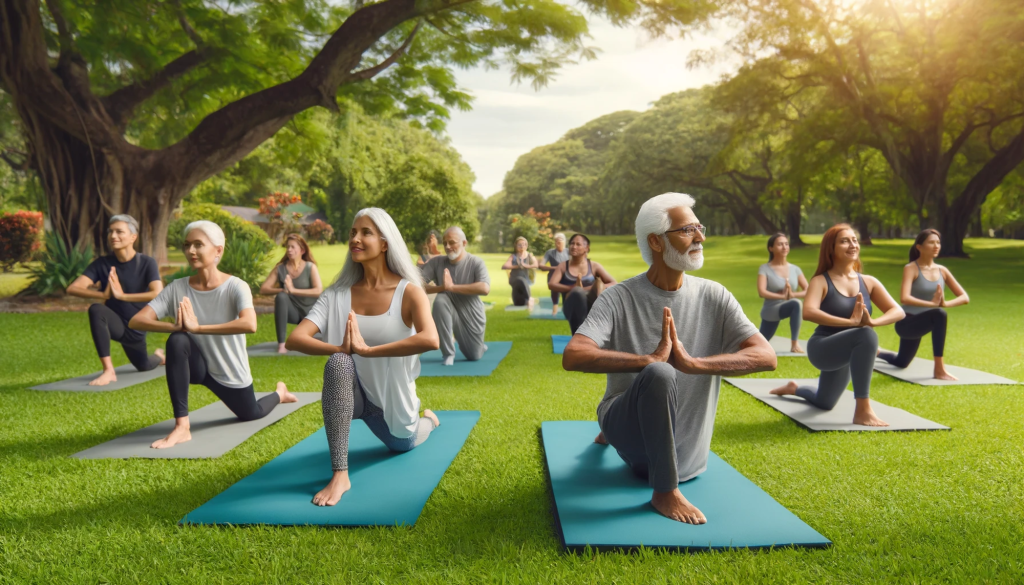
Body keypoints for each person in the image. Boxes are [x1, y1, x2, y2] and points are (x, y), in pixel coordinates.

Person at [562, 193, 776, 525]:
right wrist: (645, 360)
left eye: (699, 227)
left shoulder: (714, 295)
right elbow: (574, 354)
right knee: (660, 372)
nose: (701, 237)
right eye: (687, 230)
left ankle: (615, 423)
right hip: (631, 436)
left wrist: (694, 364)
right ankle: (665, 492)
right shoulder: (619, 297)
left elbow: (766, 356)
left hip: (690, 456)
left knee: (662, 371)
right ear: (656, 242)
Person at [286, 208, 441, 507]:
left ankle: (430, 420)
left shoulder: (409, 292)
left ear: (385, 243)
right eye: (352, 233)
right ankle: (340, 474)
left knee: (404, 443)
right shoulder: (336, 294)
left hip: (392, 407)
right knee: (339, 363)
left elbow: (430, 339)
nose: (355, 239)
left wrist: (369, 350)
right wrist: (342, 349)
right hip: (355, 396)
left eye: (365, 232)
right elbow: (296, 338)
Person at [130, 220, 298, 449]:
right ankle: (182, 427)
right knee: (178, 340)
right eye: (187, 245)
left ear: (218, 250)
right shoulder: (177, 288)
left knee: (252, 413)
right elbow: (136, 320)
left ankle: (280, 392)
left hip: (229, 372)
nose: (190, 251)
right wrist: (175, 327)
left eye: (198, 244)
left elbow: (250, 324)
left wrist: (198, 328)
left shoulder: (235, 286)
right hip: (197, 367)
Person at [769, 224, 904, 427]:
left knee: (825, 402)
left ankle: (794, 388)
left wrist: (873, 321)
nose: (852, 245)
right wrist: (851, 323)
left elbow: (898, 311)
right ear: (830, 248)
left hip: (848, 352)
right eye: (844, 241)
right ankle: (863, 410)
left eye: (855, 240)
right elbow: (809, 312)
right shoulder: (821, 281)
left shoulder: (868, 282)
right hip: (822, 348)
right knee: (866, 334)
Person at [66, 215, 165, 386]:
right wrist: (103, 296)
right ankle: (108, 371)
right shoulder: (102, 264)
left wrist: (122, 296)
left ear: (133, 237)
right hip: (116, 324)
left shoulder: (146, 263)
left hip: (136, 327)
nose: (113, 236)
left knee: (144, 365)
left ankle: (158, 356)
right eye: (110, 232)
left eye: (119, 231)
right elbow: (73, 288)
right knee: (97, 310)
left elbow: (157, 292)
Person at [877, 229, 969, 380]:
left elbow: (964, 297)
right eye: (931, 242)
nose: (936, 246)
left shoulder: (942, 270)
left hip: (923, 321)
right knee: (939, 315)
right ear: (919, 247)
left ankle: (878, 353)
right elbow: (904, 298)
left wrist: (944, 303)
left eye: (938, 242)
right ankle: (939, 370)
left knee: (902, 362)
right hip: (906, 323)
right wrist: (933, 304)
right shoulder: (911, 268)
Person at [421, 227, 490, 366]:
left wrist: (452, 287)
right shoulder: (437, 262)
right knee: (441, 300)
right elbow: (418, 284)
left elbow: (484, 288)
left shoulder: (476, 262)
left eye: (452, 242)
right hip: (448, 306)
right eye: (445, 243)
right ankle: (448, 353)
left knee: (474, 356)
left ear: (464, 243)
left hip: (471, 313)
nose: (447, 247)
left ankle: (479, 346)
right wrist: (442, 288)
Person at [259, 234, 323, 354]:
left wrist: (293, 290)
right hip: (293, 312)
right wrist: (283, 290)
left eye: (293, 247)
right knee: (281, 297)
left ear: (302, 250)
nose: (289, 250)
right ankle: (282, 345)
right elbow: (264, 289)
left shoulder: (310, 267)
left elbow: (318, 291)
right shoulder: (280, 268)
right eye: (288, 247)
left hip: (311, 313)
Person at [547, 234, 616, 335]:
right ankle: (580, 335)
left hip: (591, 306)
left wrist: (589, 288)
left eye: (578, 244)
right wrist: (572, 288)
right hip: (571, 307)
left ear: (586, 248)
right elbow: (551, 284)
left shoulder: (594, 266)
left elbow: (614, 283)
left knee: (598, 286)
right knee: (577, 292)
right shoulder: (563, 266)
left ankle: (597, 329)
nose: (574, 246)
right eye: (572, 244)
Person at [756, 233, 809, 353]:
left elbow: (808, 291)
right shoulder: (764, 268)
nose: (784, 247)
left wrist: (792, 295)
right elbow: (762, 292)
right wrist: (783, 296)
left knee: (796, 303)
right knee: (758, 346)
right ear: (771, 248)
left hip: (788, 305)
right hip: (771, 309)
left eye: (786, 244)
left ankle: (794, 344)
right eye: (780, 244)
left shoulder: (795, 269)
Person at [501, 236, 538, 308]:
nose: (522, 246)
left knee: (522, 281)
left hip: (527, 280)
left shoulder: (529, 255)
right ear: (516, 246)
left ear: (526, 245)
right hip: (515, 280)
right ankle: (530, 299)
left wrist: (526, 266)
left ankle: (528, 299)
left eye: (523, 244)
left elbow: (536, 265)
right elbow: (504, 266)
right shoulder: (513, 256)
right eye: (519, 245)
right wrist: (517, 266)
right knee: (519, 280)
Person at [539, 233, 570, 315]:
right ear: (554, 242)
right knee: (555, 289)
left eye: (561, 240)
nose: (559, 243)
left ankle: (566, 309)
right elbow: (541, 266)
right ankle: (555, 309)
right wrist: (555, 268)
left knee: (567, 291)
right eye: (557, 241)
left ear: (565, 241)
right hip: (554, 278)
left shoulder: (569, 252)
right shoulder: (550, 252)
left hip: (567, 277)